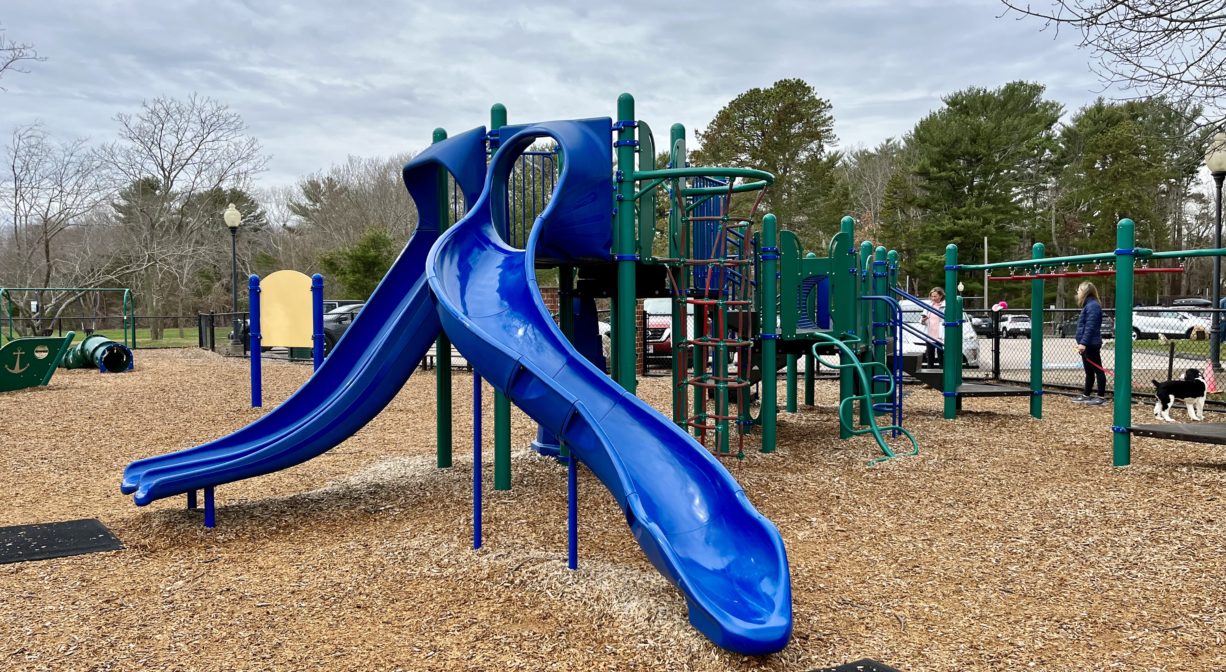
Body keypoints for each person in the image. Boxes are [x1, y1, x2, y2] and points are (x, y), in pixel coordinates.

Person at [1073, 282, 1107, 405]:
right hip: (1086, 344)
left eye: (1079, 290)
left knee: (1098, 370)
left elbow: (1090, 327)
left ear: (1085, 291)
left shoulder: (1093, 306)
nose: (1078, 292)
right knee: (1089, 371)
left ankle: (1101, 396)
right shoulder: (1088, 305)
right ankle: (1086, 394)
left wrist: (1083, 343)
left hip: (1090, 344)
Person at [919, 287, 945, 368]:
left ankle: (942, 372)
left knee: (941, 354)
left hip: (940, 334)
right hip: (930, 334)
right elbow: (921, 321)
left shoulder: (945, 306)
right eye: (932, 296)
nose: (933, 298)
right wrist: (923, 320)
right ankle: (929, 371)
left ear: (941, 296)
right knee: (930, 354)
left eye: (935, 296)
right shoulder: (929, 305)